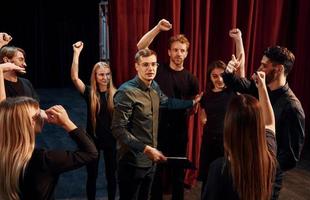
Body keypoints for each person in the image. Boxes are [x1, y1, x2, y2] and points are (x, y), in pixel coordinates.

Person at [111, 49, 202, 200]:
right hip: (132, 162)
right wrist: (146, 149)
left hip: (150, 162)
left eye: (153, 64)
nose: (150, 69)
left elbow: (168, 102)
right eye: (145, 65)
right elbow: (118, 129)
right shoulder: (126, 92)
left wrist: (192, 102)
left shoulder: (154, 87)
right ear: (137, 66)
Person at [222, 46, 305, 199]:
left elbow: (290, 157)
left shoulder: (292, 108)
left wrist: (262, 166)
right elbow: (238, 84)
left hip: (268, 180)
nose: (259, 68)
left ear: (278, 69)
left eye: (264, 65)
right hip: (247, 170)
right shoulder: (260, 88)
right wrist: (228, 71)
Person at [137, 19, 199, 200]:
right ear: (169, 52)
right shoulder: (159, 69)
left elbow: (194, 107)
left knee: (178, 177)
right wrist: (157, 28)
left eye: (182, 50)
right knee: (155, 175)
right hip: (157, 131)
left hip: (179, 133)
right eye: (175, 50)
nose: (178, 53)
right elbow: (141, 47)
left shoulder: (191, 79)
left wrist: (192, 109)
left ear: (186, 53)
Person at [0, 97, 98, 200]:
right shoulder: (43, 159)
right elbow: (91, 153)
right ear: (30, 123)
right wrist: (66, 123)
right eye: (38, 115)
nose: (42, 116)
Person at [202, 71, 277, 200]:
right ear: (259, 123)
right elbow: (270, 123)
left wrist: (262, 86)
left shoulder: (219, 168)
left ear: (229, 126)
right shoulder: (269, 154)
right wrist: (262, 87)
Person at [198, 28, 245, 193]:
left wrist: (238, 40)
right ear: (209, 77)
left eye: (222, 75)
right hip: (209, 142)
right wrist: (203, 117)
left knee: (226, 184)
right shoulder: (206, 95)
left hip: (228, 144)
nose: (219, 79)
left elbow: (241, 65)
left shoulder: (233, 91)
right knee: (208, 183)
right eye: (214, 76)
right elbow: (203, 114)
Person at [71, 41, 117, 200]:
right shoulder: (90, 93)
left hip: (111, 141)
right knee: (92, 176)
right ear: (95, 76)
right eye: (101, 74)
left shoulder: (116, 94)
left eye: (107, 74)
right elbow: (75, 78)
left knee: (112, 176)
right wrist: (76, 53)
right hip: (93, 141)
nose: (105, 77)